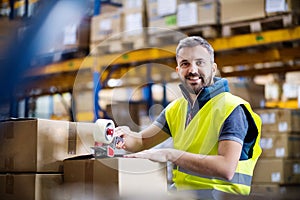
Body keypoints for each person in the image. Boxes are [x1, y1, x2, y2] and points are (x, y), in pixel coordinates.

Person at [115, 36, 262, 197]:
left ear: (213, 68)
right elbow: (141, 141)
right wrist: (121, 137)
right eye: (185, 64)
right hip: (185, 194)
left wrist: (170, 154)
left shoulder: (231, 108)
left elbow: (226, 168)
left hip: (221, 195)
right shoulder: (176, 109)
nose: (192, 70)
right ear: (178, 70)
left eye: (200, 62)